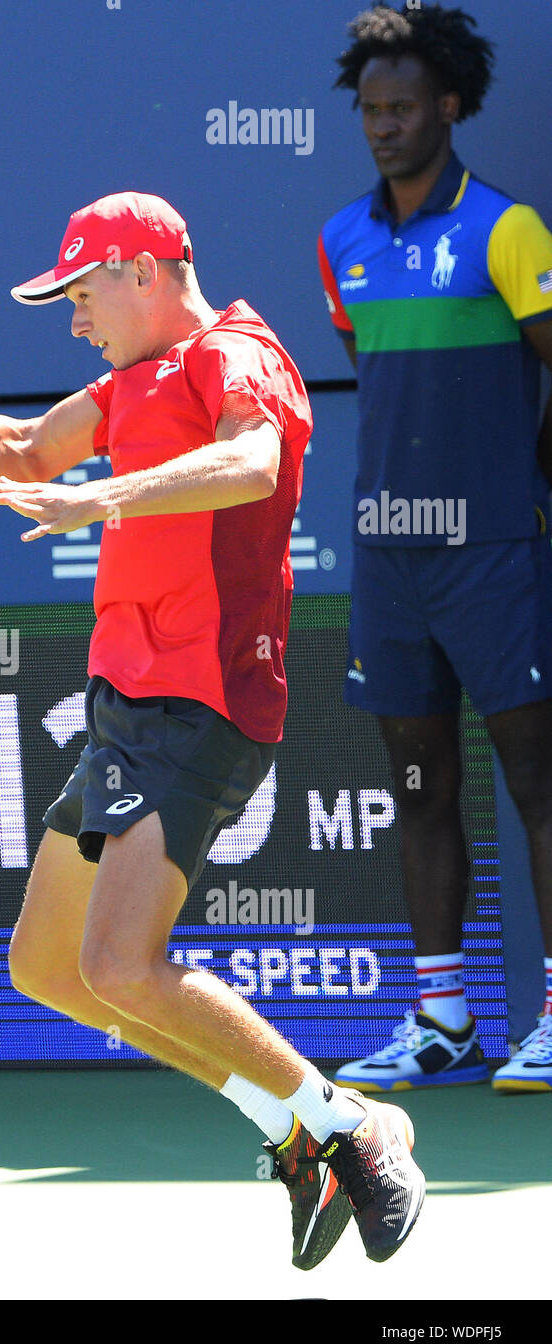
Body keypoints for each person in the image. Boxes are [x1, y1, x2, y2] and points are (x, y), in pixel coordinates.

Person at [0, 191, 425, 1268]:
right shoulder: (126, 381)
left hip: (202, 697)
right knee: (49, 967)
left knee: (123, 965)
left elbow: (253, 463)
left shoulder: (236, 354)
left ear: (141, 271)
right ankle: (293, 1124)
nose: (74, 318)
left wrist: (109, 500)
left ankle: (349, 1125)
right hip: (123, 706)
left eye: (82, 293)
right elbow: (23, 449)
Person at [319, 3, 552, 1094]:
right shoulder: (341, 243)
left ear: (450, 104)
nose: (384, 126)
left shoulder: (509, 232)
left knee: (538, 785)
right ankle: (442, 1017)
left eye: (403, 106)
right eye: (369, 109)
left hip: (495, 559)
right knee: (419, 784)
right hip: (390, 565)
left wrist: (520, 485)